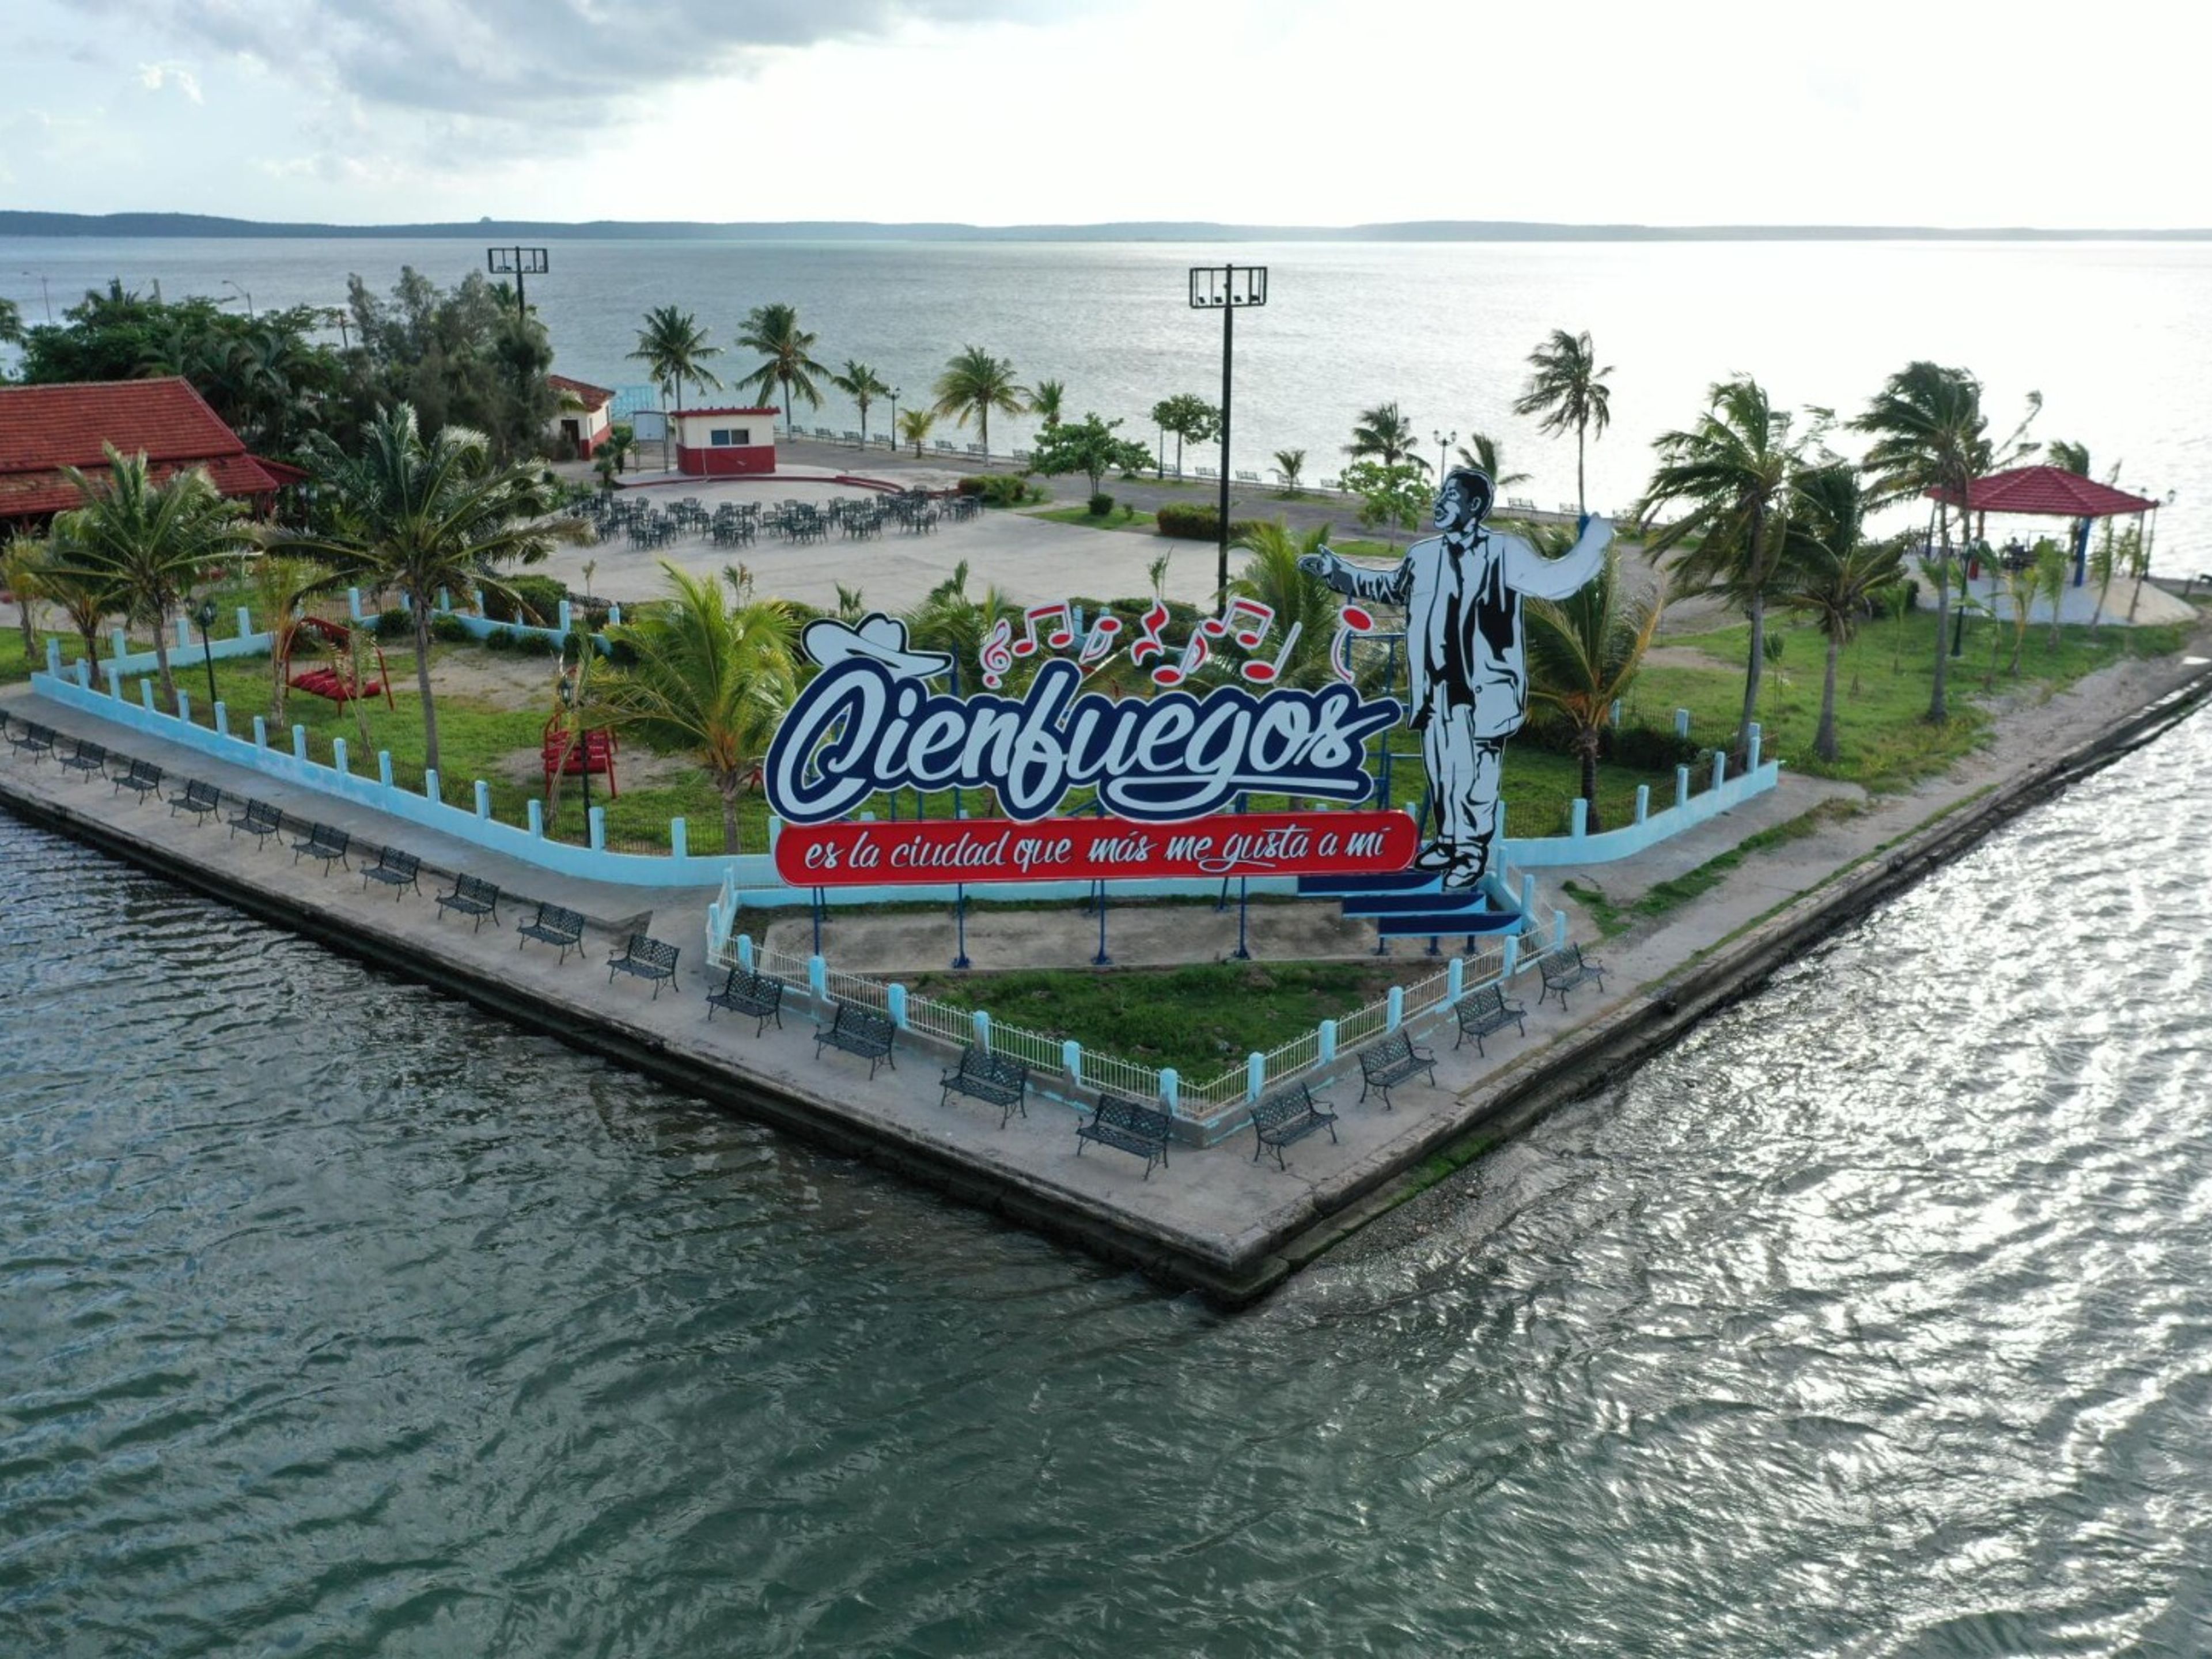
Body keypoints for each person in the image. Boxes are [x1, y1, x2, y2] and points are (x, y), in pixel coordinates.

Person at [1301, 468, 1610, 890]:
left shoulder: (1504, 552)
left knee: (1478, 778)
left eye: (1450, 496)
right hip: (1437, 688)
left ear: (1475, 506)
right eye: (1441, 494)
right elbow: (1390, 587)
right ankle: (1447, 842)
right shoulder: (1423, 555)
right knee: (1443, 770)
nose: (1439, 503)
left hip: (1485, 690)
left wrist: (1592, 544)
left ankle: (1470, 852)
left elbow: (1554, 582)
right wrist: (1336, 572)